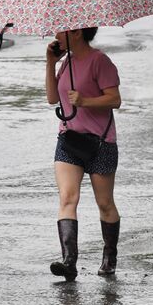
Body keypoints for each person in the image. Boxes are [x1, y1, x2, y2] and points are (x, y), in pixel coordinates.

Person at [45, 27, 121, 282]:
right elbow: (52, 98)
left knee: (105, 204)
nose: (55, 33)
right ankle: (69, 262)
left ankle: (109, 257)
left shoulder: (100, 61)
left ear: (76, 33)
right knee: (67, 198)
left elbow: (115, 99)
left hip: (100, 143)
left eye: (60, 30)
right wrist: (50, 64)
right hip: (69, 140)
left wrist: (85, 101)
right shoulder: (65, 63)